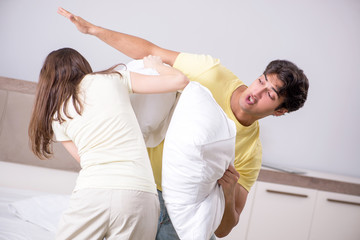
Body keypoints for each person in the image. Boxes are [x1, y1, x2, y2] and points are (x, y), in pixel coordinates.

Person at [57, 7, 309, 239]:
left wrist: (230, 191)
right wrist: (94, 30)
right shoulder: (212, 74)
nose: (257, 91)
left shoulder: (251, 153)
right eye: (261, 80)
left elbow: (223, 230)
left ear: (279, 111)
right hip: (138, 190)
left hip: (182, 216)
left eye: (271, 95)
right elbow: (152, 52)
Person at [28, 47, 189, 240]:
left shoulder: (57, 114)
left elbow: (84, 159)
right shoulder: (112, 79)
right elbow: (180, 81)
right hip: (140, 194)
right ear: (82, 66)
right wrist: (156, 65)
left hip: (93, 192)